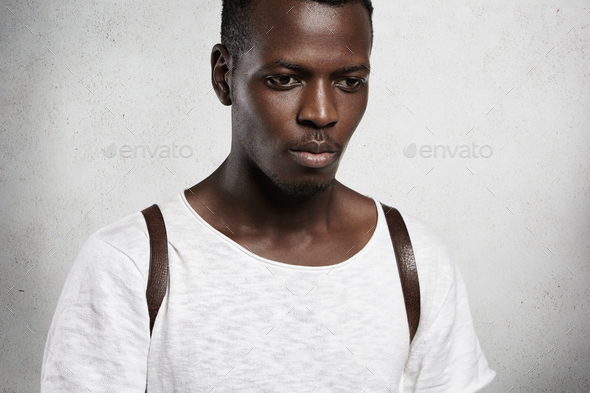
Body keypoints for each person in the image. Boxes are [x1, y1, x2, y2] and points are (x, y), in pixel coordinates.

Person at [41, 0, 496, 391]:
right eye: (285, 79)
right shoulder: (129, 264)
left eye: (349, 82)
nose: (322, 113)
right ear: (224, 75)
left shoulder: (416, 262)